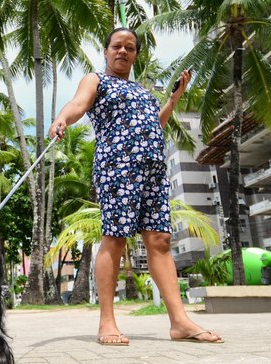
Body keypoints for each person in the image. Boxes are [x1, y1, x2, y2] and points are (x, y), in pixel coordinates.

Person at [48, 27, 223, 346]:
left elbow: (155, 125)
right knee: (115, 237)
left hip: (153, 168)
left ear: (136, 55)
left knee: (160, 239)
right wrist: (62, 119)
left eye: (129, 48)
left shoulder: (144, 92)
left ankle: (179, 322)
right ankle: (107, 322)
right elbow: (78, 104)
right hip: (117, 165)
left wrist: (174, 99)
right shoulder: (96, 80)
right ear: (106, 51)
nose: (122, 51)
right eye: (117, 46)